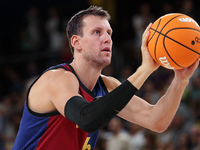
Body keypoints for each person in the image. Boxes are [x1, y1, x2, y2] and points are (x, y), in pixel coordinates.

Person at [12, 6, 199, 150]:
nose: (107, 38)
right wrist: (145, 70)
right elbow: (86, 118)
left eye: (109, 33)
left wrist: (180, 80)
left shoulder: (108, 85)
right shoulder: (56, 79)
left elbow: (156, 121)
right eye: (97, 32)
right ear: (76, 42)